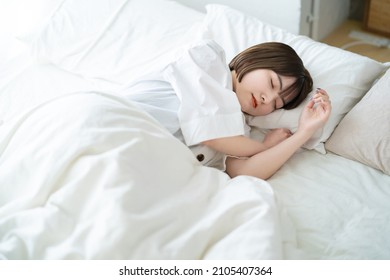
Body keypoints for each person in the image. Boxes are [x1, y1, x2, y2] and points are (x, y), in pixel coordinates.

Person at [123, 39, 331, 180]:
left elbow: (245, 172)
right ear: (252, 61)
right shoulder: (206, 59)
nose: (267, 99)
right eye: (271, 83)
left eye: (276, 104)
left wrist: (304, 133)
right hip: (124, 127)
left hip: (145, 169)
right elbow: (211, 135)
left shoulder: (241, 133)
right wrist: (266, 147)